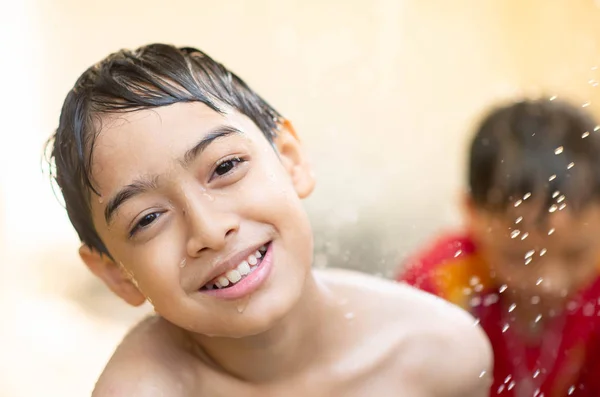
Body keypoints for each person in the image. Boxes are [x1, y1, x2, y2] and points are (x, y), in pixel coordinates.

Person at [47, 43, 491, 396]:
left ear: (291, 160)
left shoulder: (437, 355)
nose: (208, 230)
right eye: (146, 219)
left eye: (224, 168)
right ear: (116, 274)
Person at [397, 99, 600, 396]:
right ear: (472, 212)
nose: (550, 284)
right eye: (521, 258)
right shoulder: (440, 284)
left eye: (576, 256)